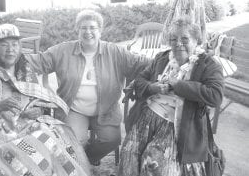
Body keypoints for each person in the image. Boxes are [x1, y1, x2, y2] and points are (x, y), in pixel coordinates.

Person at [0, 24, 91, 176]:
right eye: (4, 45)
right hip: (2, 133)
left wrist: (38, 110)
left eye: (15, 44)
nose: (10, 49)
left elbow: (37, 100)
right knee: (35, 157)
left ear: (20, 47)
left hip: (29, 125)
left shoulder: (25, 68)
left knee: (59, 140)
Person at [25, 9, 147, 165]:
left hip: (106, 109)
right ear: (77, 30)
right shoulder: (63, 50)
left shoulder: (115, 52)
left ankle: (86, 159)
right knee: (74, 140)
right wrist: (8, 58)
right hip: (74, 108)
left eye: (92, 28)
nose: (88, 32)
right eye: (83, 28)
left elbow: (141, 63)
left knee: (112, 139)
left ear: (100, 31)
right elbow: (38, 61)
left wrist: (167, 59)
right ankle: (79, 160)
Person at [118, 17, 224, 176]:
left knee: (154, 164)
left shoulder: (208, 64)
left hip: (177, 123)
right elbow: (140, 79)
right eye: (173, 39)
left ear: (196, 41)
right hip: (147, 116)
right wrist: (152, 87)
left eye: (185, 39)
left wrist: (177, 84)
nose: (178, 43)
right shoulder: (162, 57)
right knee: (128, 153)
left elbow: (215, 96)